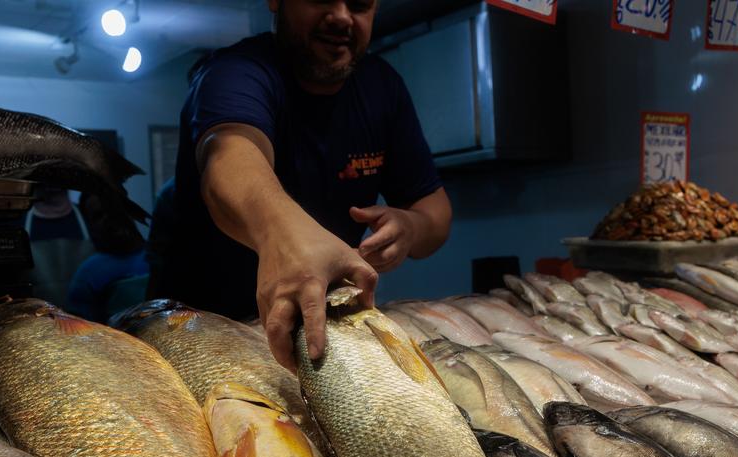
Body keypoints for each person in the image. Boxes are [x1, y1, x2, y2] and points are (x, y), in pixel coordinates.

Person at [152, 0, 452, 371]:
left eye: (360, 3)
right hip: (201, 329)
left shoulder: (382, 87)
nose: (342, 16)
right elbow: (229, 158)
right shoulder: (234, 73)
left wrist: (411, 226)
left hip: (318, 326)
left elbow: (435, 212)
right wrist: (283, 235)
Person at [65, 193, 150, 323]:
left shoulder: (160, 257)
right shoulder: (88, 275)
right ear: (91, 226)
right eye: (98, 215)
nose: (109, 218)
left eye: (114, 208)